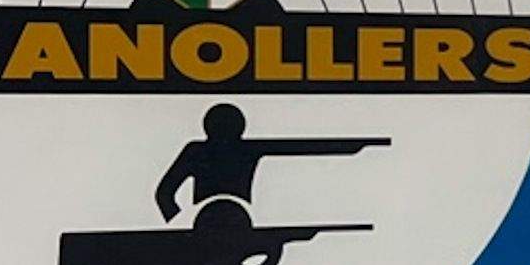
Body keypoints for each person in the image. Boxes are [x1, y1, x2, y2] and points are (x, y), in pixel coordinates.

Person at [151, 104, 384, 223]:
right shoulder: (197, 150)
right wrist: (180, 222)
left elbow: (302, 147)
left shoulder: (243, 148)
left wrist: (357, 146)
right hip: (205, 220)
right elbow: (165, 192)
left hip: (242, 219)